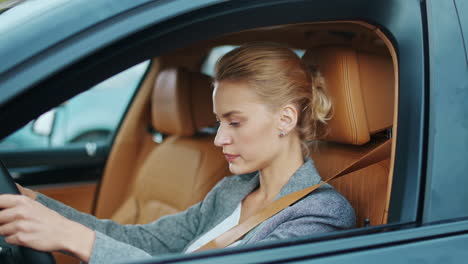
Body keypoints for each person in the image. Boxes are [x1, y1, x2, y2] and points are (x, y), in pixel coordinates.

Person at [0, 43, 355, 263]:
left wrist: (75, 239)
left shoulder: (321, 216)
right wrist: (33, 203)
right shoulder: (233, 191)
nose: (218, 140)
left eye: (234, 122)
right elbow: (145, 242)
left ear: (286, 118)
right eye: (218, 122)